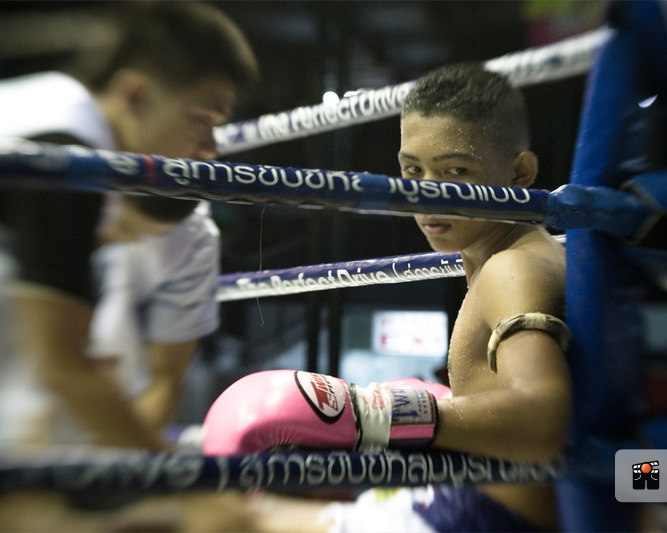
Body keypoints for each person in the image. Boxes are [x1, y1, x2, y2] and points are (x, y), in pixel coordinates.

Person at [200, 63, 571, 533]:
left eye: (456, 171)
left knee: (228, 519)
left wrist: (377, 413)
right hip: (462, 500)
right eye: (413, 171)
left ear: (520, 172)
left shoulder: (511, 268)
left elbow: (543, 418)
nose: (428, 196)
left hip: (485, 521)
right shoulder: (497, 256)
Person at [0, 1, 259, 451]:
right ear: (136, 96)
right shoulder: (69, 153)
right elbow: (61, 364)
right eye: (201, 122)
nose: (210, 151)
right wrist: (179, 487)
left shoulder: (53, 113)